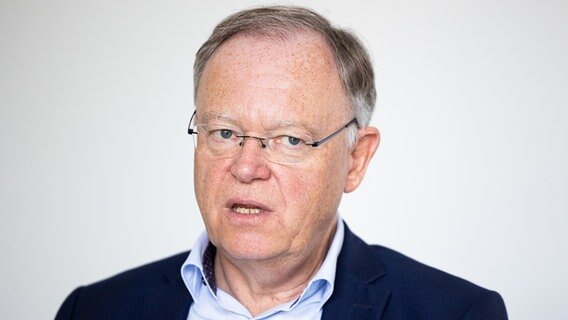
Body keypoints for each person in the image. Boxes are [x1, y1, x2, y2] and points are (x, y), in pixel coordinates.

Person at [55, 5, 508, 320]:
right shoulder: (94, 311)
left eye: (290, 139)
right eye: (225, 133)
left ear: (356, 158)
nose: (246, 167)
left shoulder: (454, 315)